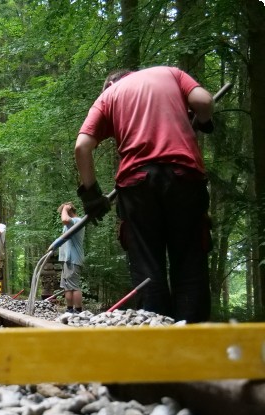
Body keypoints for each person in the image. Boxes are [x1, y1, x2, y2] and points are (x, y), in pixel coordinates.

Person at [74, 66, 214, 323]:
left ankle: (157, 343)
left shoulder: (109, 95)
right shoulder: (171, 74)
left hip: (137, 185)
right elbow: (203, 101)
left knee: (148, 267)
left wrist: (92, 195)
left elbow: (82, 146)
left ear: (109, 84)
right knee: (190, 262)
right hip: (184, 179)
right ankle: (194, 342)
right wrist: (202, 120)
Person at [57, 202, 85, 313]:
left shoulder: (77, 221)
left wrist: (64, 208)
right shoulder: (69, 224)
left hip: (73, 258)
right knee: (67, 286)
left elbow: (64, 219)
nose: (61, 215)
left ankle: (78, 310)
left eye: (63, 212)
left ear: (69, 211)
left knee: (74, 286)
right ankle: (69, 309)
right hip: (67, 260)